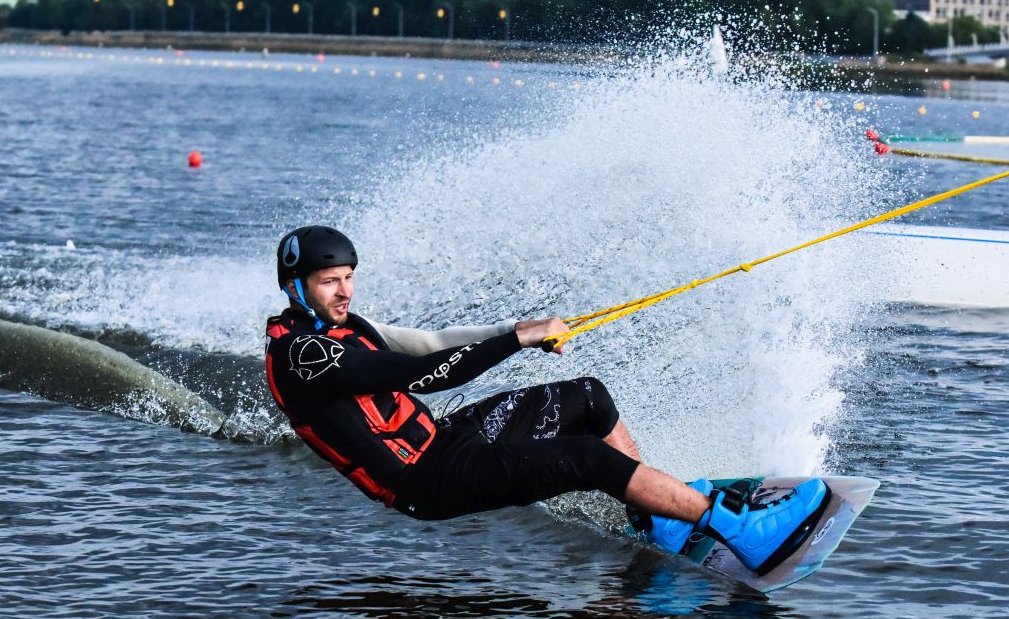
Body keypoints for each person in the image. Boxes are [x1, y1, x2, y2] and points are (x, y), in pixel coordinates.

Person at [263, 226, 829, 576]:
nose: (346, 292)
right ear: (296, 288)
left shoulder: (347, 323)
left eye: (349, 278)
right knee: (585, 457)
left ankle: (660, 521)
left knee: (587, 398)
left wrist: (518, 326)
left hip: (444, 441)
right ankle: (742, 533)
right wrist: (518, 341)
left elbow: (430, 343)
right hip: (425, 481)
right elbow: (423, 373)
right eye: (330, 282)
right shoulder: (303, 356)